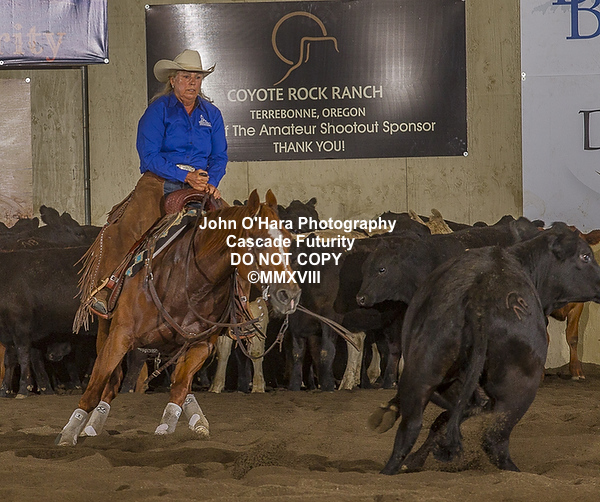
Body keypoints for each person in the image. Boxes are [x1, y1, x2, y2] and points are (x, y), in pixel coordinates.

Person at [74, 49, 228, 327]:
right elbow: (149, 157)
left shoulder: (212, 114)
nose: (192, 83)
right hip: (159, 180)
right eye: (186, 77)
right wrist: (185, 176)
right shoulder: (159, 110)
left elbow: (219, 156)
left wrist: (212, 182)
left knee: (232, 231)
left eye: (197, 78)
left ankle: (237, 303)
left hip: (201, 184)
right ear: (173, 80)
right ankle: (107, 288)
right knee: (131, 226)